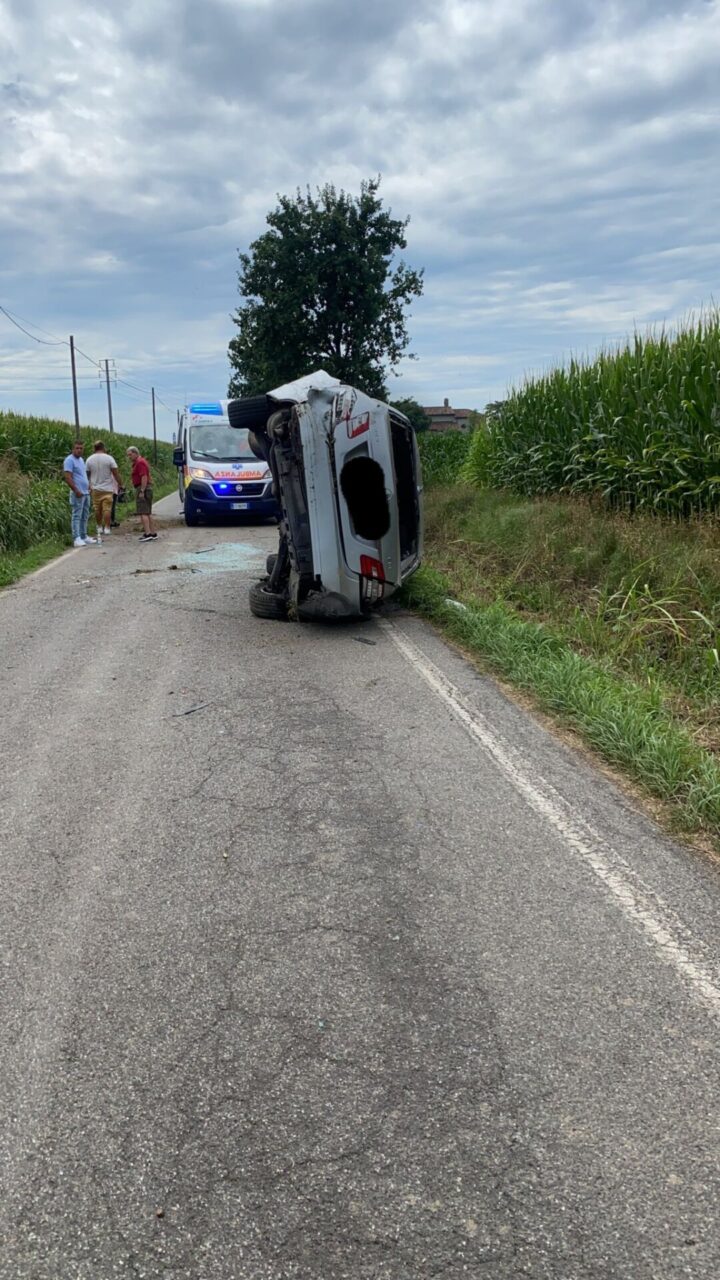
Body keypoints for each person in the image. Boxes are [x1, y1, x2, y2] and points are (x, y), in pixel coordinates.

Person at [62, 440, 96, 547]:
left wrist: (89, 486)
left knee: (85, 515)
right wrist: (76, 490)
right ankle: (76, 537)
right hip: (78, 492)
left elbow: (83, 475)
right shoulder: (69, 460)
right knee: (77, 515)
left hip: (85, 492)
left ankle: (83, 535)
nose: (79, 450)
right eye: (77, 448)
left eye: (81, 448)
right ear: (73, 449)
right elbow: (68, 477)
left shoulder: (81, 460)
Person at [85, 440, 121, 536]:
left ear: (94, 448)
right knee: (107, 509)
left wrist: (88, 485)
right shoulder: (109, 458)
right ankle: (107, 528)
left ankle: (99, 527)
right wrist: (120, 484)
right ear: (103, 448)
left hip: (95, 488)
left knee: (97, 508)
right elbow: (115, 473)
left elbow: (87, 474)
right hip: (108, 488)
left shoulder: (89, 459)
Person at [126, 446, 157, 540]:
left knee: (143, 512)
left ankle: (147, 533)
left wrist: (142, 490)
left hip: (143, 488)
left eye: (130, 455)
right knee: (148, 512)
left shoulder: (140, 463)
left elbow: (144, 477)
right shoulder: (141, 462)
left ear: (135, 453)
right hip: (146, 487)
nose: (129, 457)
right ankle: (152, 532)